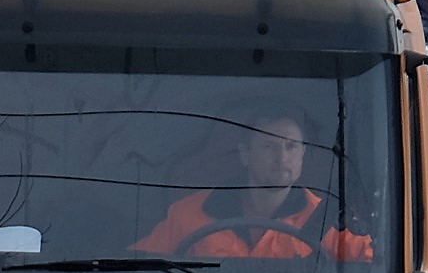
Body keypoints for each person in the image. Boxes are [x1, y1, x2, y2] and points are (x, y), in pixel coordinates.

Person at [133, 110, 376, 262]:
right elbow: (138, 267)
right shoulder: (188, 214)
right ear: (245, 154)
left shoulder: (326, 220)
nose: (281, 158)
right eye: (268, 146)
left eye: (291, 147)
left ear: (302, 153)